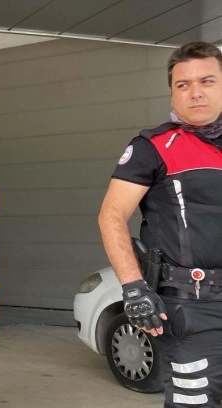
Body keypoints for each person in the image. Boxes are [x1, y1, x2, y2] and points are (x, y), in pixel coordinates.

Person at [99, 42, 222, 407]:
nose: (195, 92)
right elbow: (111, 215)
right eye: (183, 84)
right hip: (191, 308)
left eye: (207, 81)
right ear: (172, 91)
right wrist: (134, 287)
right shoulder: (152, 146)